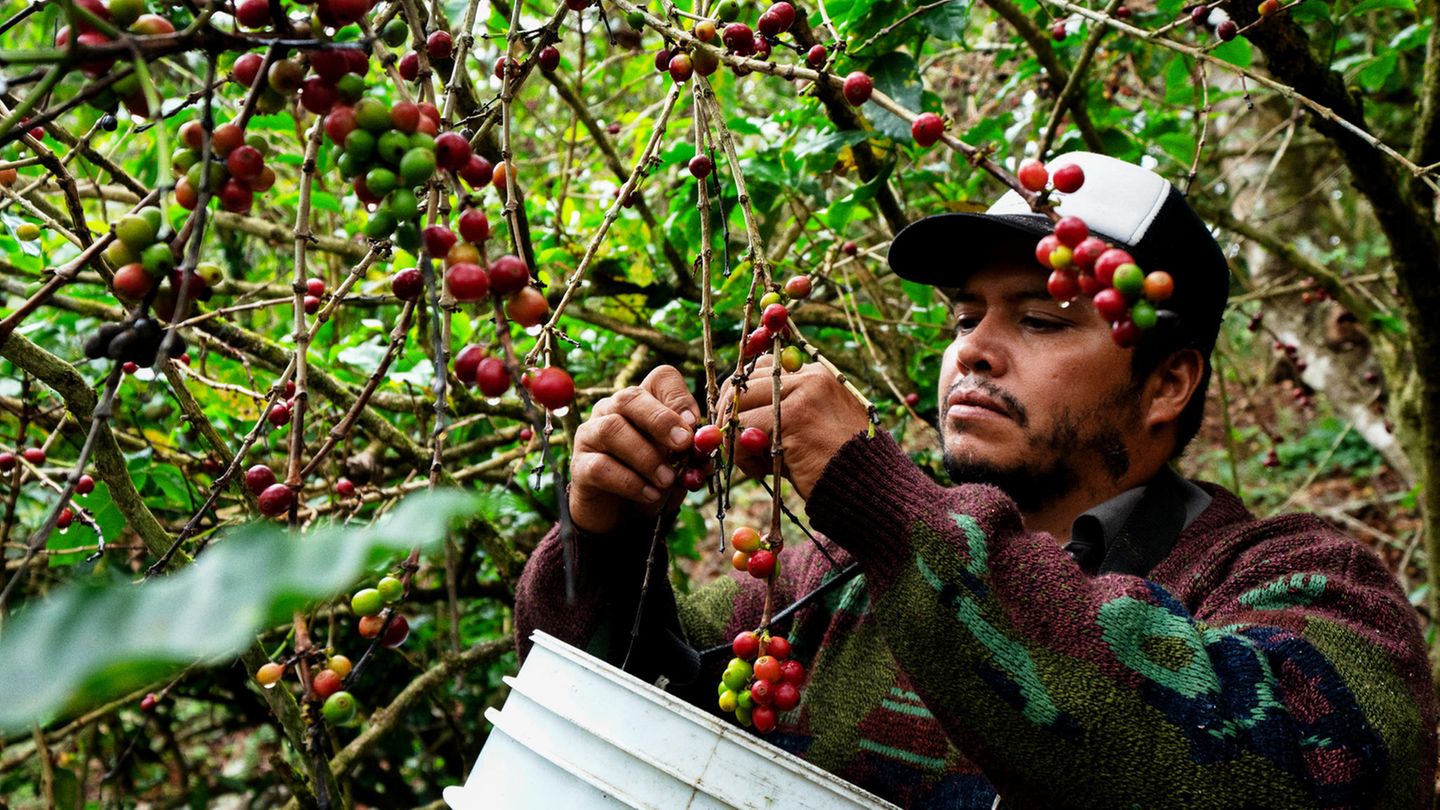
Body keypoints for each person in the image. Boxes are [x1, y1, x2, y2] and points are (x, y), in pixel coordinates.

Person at [514, 152, 1436, 808]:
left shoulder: (1302, 585)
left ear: (1166, 384)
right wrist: (603, 543)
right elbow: (631, 723)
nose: (974, 353)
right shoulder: (826, 584)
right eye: (963, 317)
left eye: (1039, 320)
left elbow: (1268, 774)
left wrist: (883, 503)